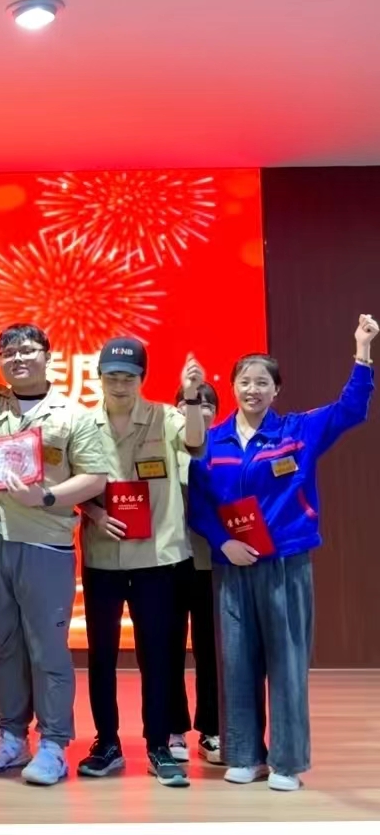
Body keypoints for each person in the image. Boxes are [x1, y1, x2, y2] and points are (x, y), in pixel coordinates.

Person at [188, 315, 377, 792]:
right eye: (244, 382)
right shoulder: (212, 442)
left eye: (262, 383)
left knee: (287, 663)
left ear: (276, 390)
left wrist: (362, 352)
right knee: (236, 662)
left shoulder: (298, 431)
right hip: (233, 567)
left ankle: (287, 763)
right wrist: (223, 542)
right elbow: (199, 505)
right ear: (232, 387)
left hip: (286, 565)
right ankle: (244, 754)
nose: (252, 390)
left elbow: (351, 409)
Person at [0, 286, 108, 786]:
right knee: (4, 645)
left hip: (44, 543)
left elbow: (95, 478)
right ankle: (12, 735)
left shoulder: (74, 414)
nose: (17, 359)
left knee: (47, 648)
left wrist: (46, 496)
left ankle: (53, 742)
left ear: (48, 356)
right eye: (8, 353)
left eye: (27, 350)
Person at [74, 340, 206, 788]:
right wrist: (94, 514)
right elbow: (70, 481)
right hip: (103, 556)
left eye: (128, 377)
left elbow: (195, 442)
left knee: (159, 654)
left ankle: (158, 745)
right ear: (99, 378)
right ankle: (107, 743)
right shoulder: (82, 423)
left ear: (142, 379)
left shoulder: (165, 417)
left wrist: (191, 397)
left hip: (158, 557)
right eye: (112, 376)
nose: (119, 385)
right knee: (101, 655)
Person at [170, 381, 222, 765]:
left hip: (213, 564)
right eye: (189, 402)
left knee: (211, 651)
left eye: (206, 404)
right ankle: (173, 728)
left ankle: (212, 729)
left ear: (215, 413)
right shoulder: (163, 450)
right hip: (168, 563)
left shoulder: (225, 450)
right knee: (168, 649)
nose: (198, 409)